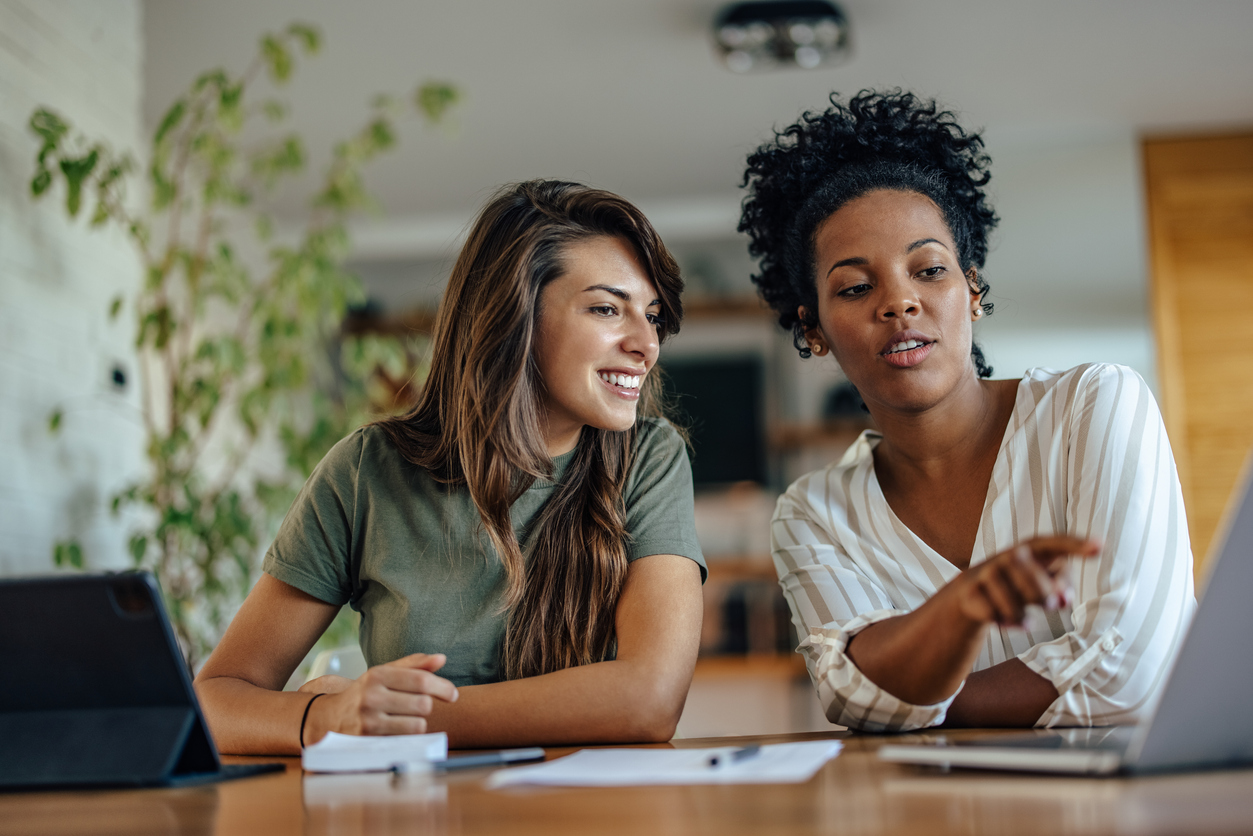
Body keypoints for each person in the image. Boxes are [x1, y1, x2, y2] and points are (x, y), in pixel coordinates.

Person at [194, 180, 706, 754]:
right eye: (607, 308)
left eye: (653, 316)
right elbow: (217, 698)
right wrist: (321, 719)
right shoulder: (366, 474)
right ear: (513, 317)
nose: (647, 343)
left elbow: (649, 701)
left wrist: (393, 718)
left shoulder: (647, 458)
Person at [740, 90, 1195, 731]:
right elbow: (849, 696)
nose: (898, 302)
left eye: (928, 270)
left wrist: (920, 703)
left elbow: (1138, 674)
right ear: (813, 328)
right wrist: (956, 613)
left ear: (972, 292)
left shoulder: (1093, 406)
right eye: (856, 286)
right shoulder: (816, 513)